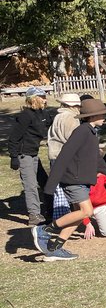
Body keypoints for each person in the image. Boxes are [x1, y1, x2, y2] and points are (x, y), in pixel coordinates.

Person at [34, 99, 106, 261]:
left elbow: (98, 162)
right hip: (73, 180)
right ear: (92, 116)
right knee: (87, 212)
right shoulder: (82, 131)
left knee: (80, 215)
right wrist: (50, 185)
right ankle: (44, 230)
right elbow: (64, 155)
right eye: (102, 114)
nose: (104, 117)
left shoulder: (91, 132)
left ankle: (54, 248)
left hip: (81, 180)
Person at [8, 87, 53, 226]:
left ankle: (51, 209)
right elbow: (14, 138)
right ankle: (34, 216)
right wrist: (14, 157)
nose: (45, 99)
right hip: (24, 154)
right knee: (31, 185)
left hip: (34, 153)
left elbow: (51, 123)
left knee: (45, 182)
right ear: (34, 99)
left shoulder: (42, 113)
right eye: (42, 97)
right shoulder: (25, 116)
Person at [47, 93, 83, 222]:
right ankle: (62, 220)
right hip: (65, 156)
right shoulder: (71, 118)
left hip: (54, 155)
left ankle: (60, 218)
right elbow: (73, 139)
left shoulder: (58, 116)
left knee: (58, 189)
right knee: (67, 188)